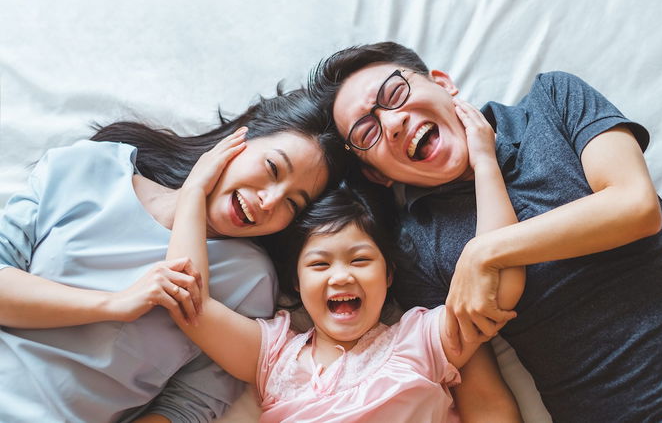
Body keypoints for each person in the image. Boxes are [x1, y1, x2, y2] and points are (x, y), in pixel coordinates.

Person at [307, 41, 662, 422]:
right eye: (366, 133)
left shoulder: (553, 99)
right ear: (377, 175)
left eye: (395, 93)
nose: (393, 123)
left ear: (443, 83)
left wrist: (484, 252)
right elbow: (482, 395)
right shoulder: (416, 250)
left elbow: (635, 206)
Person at [0, 88, 347, 422]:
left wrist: (194, 193)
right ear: (239, 139)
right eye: (272, 168)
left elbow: (190, 406)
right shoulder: (91, 165)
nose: (269, 201)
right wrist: (114, 304)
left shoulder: (249, 278)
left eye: (292, 203)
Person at [162, 102, 523, 422]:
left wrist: (484, 163)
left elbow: (498, 283)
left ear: (389, 275)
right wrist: (194, 192)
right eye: (320, 265)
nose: (341, 277)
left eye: (360, 260)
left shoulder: (421, 341)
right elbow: (188, 299)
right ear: (296, 283)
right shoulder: (274, 357)